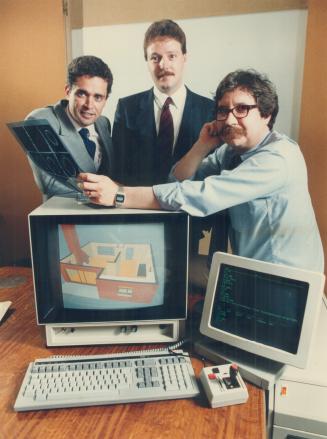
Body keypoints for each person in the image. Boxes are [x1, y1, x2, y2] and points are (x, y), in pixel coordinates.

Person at [79, 69, 324, 273]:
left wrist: (119, 195)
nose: (229, 120)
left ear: (266, 114)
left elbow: (200, 195)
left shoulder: (278, 158)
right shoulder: (230, 152)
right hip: (252, 272)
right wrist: (202, 145)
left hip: (288, 279)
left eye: (241, 109)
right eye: (223, 110)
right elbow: (177, 178)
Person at [112, 19, 215, 186]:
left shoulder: (210, 110)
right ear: (147, 62)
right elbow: (118, 171)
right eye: (155, 58)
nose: (163, 65)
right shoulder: (126, 109)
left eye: (171, 56)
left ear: (184, 58)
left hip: (192, 209)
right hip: (139, 209)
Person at [26, 55, 114, 199]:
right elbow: (49, 184)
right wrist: (114, 191)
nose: (89, 105)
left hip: (106, 215)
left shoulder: (104, 123)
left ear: (105, 99)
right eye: (82, 94)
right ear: (68, 91)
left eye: (98, 97)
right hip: (65, 216)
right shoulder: (39, 121)